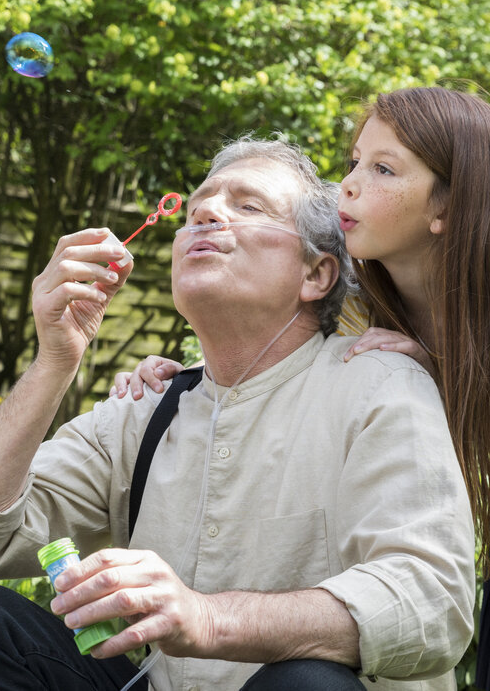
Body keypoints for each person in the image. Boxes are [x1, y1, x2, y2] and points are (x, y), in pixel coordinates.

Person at [0, 136, 475, 691]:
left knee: (309, 683)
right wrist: (55, 360)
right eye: (197, 205)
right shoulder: (146, 409)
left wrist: (208, 617)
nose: (205, 210)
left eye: (248, 205)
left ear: (315, 274)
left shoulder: (381, 383)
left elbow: (433, 603)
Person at [115, 88, 490, 688]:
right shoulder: (361, 313)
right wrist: (178, 376)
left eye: (383, 169)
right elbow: (266, 357)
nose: (348, 184)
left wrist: (442, 364)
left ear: (446, 206)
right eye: (354, 162)